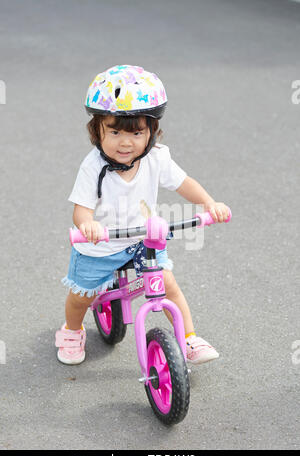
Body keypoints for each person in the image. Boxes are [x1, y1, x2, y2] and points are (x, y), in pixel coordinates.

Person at [55, 65, 230, 366]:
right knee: (82, 296)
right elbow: (81, 211)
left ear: (151, 132)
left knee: (168, 284)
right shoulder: (93, 166)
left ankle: (189, 338)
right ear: (96, 130)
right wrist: (89, 226)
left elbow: (183, 183)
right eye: (115, 132)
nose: (126, 142)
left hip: (142, 240)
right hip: (100, 245)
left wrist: (208, 203)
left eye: (137, 133)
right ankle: (72, 330)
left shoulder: (156, 157)